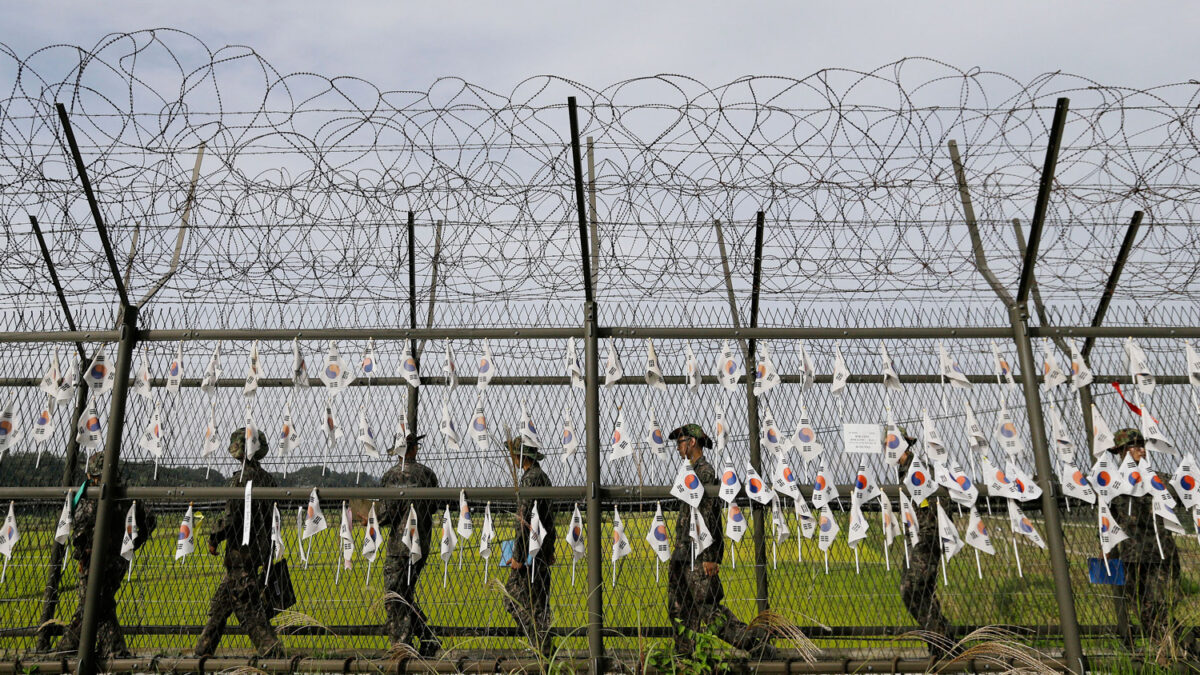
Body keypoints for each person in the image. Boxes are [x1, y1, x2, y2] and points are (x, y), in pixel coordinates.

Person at [666, 424, 777, 659]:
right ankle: (683, 659)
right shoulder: (690, 470)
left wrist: (710, 557)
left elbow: (708, 514)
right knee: (679, 609)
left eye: (680, 441)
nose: (677, 446)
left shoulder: (703, 472)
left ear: (692, 443)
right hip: (683, 553)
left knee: (709, 610)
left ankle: (755, 644)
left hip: (698, 554)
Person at [1108, 428, 1197, 659]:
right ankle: (1167, 650)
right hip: (1130, 556)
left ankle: (1183, 648)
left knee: (1159, 606)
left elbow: (1186, 492)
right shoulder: (1114, 483)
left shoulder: (1159, 479)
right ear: (1120, 452)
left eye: (1141, 445)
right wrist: (1105, 549)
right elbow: (1108, 520)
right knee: (1141, 607)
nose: (1139, 450)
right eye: (1133, 446)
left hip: (1161, 556)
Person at [56, 452, 156, 658]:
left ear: (92, 475)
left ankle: (114, 651)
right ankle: (68, 648)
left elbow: (81, 532)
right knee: (94, 605)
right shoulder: (127, 496)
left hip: (94, 560)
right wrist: (133, 544)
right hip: (118, 561)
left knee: (95, 606)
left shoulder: (93, 496)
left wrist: (80, 556)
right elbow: (149, 521)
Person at [196, 429, 282, 658]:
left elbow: (232, 518)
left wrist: (214, 537)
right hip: (258, 552)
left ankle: (274, 657)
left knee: (250, 612)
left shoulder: (241, 479)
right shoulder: (268, 480)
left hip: (240, 556)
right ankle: (201, 654)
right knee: (219, 609)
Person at [895, 427, 957, 660]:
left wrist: (926, 535)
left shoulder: (917, 469)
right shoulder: (905, 470)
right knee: (921, 593)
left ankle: (943, 643)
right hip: (918, 538)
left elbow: (937, 504)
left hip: (926, 538)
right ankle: (943, 644)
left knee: (912, 591)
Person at [378, 432, 441, 657]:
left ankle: (402, 647)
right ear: (413, 449)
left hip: (399, 547)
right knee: (405, 594)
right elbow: (434, 506)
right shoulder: (428, 474)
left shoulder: (391, 476)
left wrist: (369, 518)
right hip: (421, 544)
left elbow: (386, 514)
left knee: (394, 597)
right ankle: (428, 639)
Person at [503, 436, 557, 657]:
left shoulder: (529, 480)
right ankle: (545, 650)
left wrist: (517, 555)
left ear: (520, 456)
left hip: (529, 554)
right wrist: (551, 548)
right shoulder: (543, 477)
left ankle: (542, 647)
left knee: (512, 599)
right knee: (539, 604)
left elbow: (523, 520)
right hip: (542, 549)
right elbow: (550, 518)